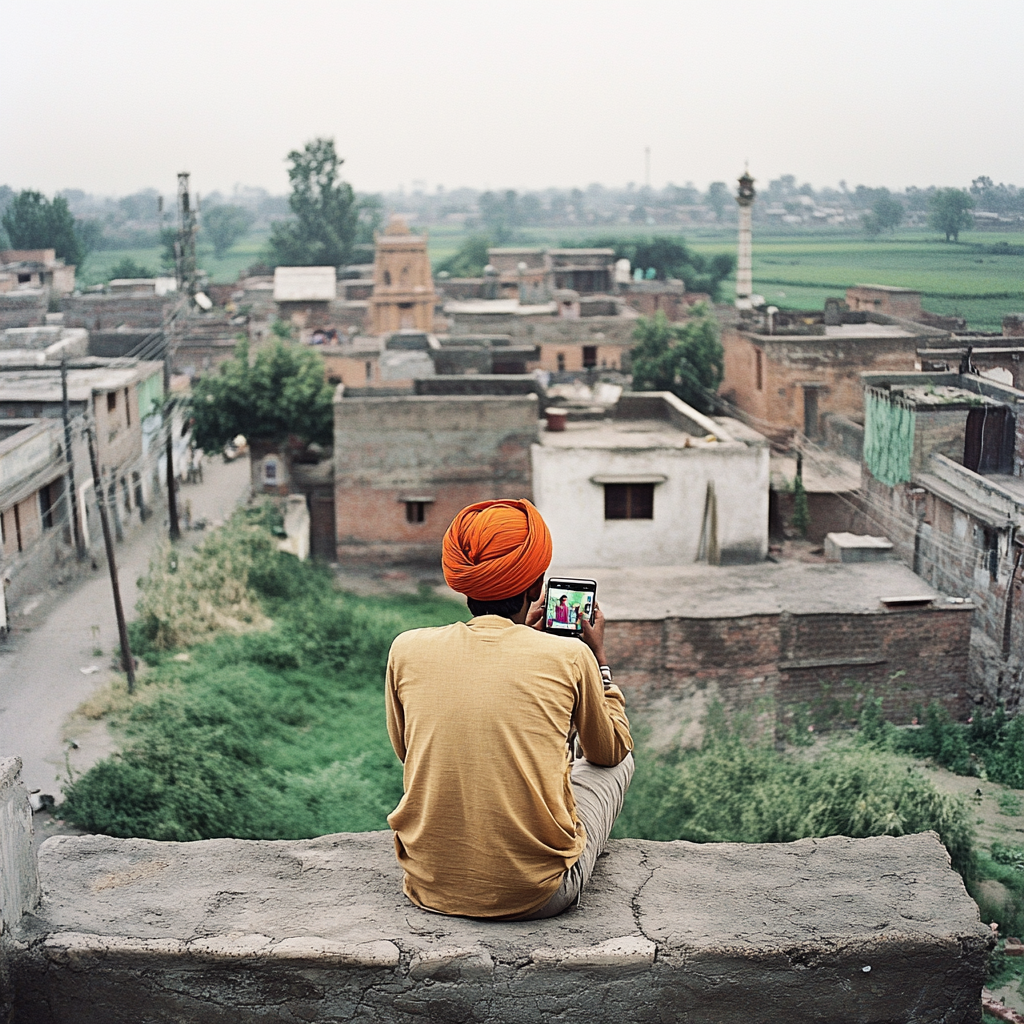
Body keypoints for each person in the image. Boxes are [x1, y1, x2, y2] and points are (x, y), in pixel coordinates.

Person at [385, 498, 634, 920]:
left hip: (428, 885)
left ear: (463, 585)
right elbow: (609, 751)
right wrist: (600, 659)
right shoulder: (570, 656)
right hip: (538, 896)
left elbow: (408, 751)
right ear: (537, 588)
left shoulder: (406, 649)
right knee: (615, 760)